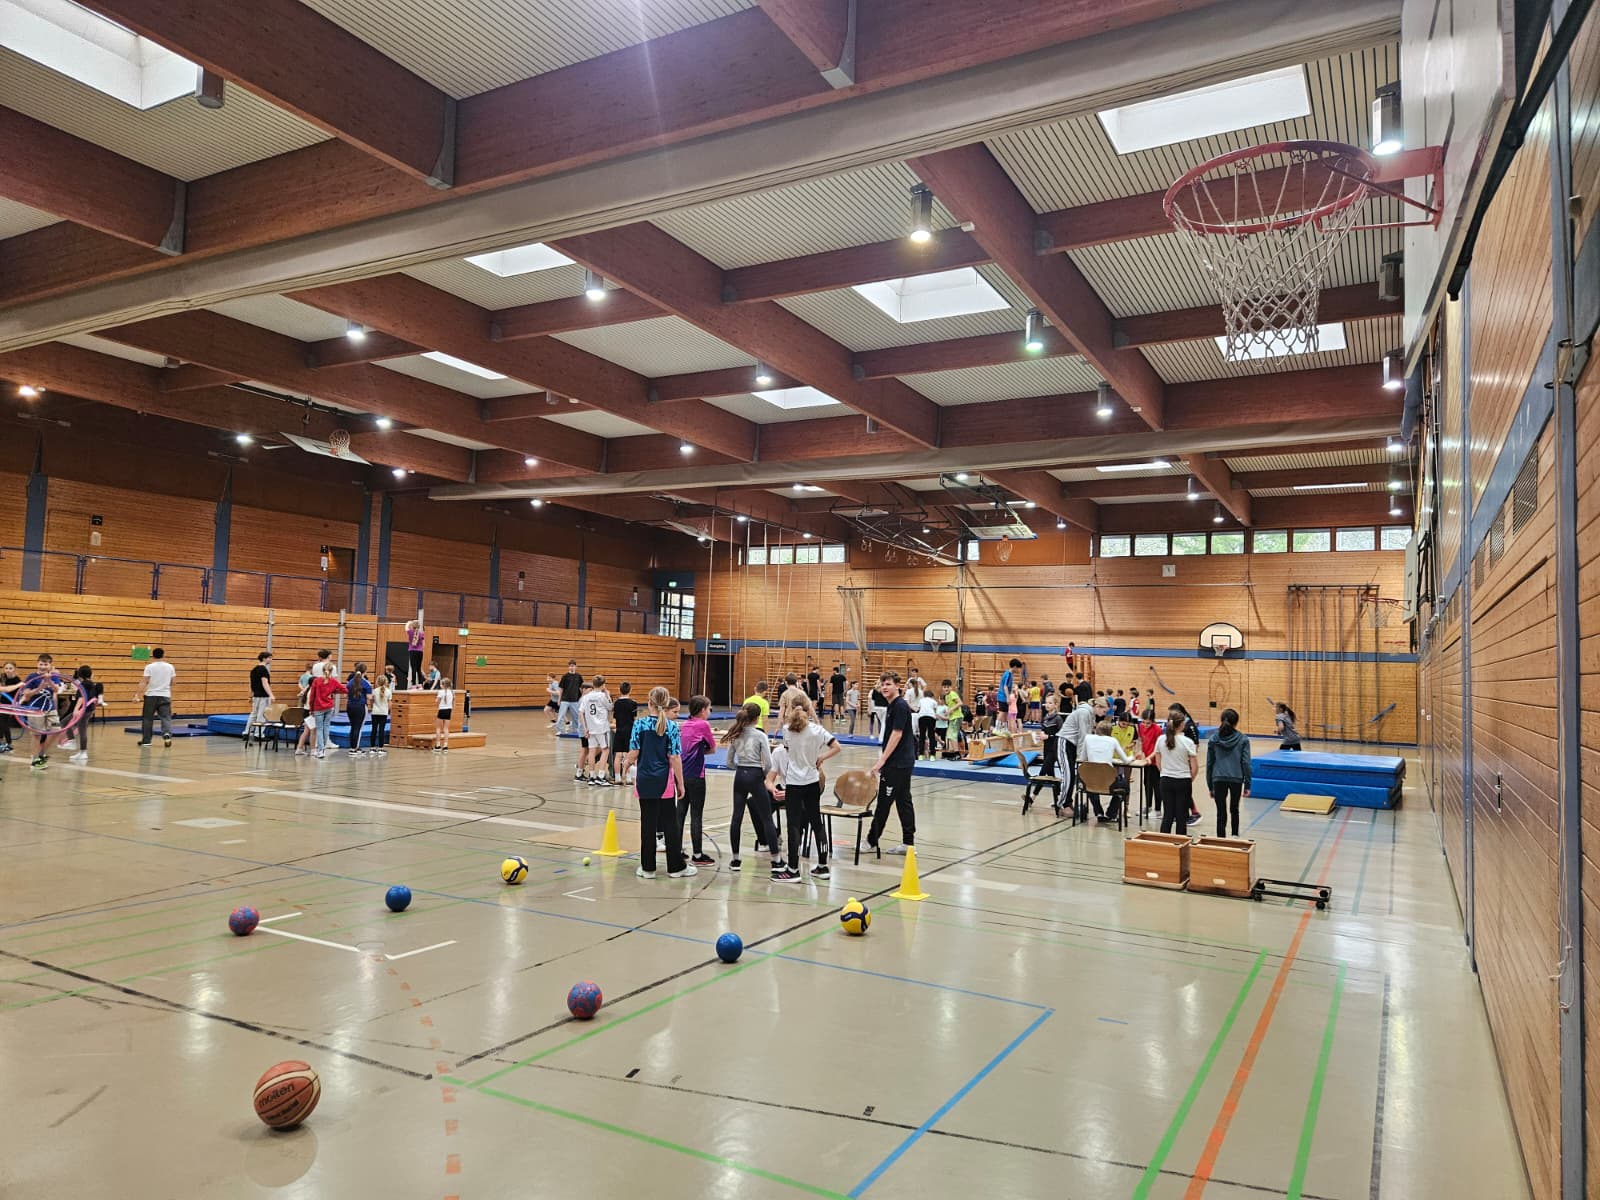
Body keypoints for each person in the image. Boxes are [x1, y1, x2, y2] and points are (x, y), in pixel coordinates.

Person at [627, 686, 691, 879]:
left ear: (649, 703)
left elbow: (634, 753)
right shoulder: (672, 727)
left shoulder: (639, 724)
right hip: (665, 782)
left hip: (645, 780)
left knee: (647, 823)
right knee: (670, 824)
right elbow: (675, 757)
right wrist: (680, 783)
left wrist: (626, 764)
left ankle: (648, 868)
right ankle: (676, 867)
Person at [721, 703, 787, 878]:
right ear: (757, 718)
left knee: (736, 817)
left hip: (740, 776)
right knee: (766, 818)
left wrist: (740, 769)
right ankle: (776, 860)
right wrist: (761, 775)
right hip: (755, 774)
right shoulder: (760, 735)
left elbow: (729, 762)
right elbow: (769, 763)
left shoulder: (736, 733)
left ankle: (735, 859)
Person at [780, 693, 839, 879]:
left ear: (791, 708)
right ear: (809, 708)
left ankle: (793, 868)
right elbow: (837, 747)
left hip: (794, 783)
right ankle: (822, 866)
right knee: (816, 822)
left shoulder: (786, 729)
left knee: (794, 825)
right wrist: (821, 757)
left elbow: (788, 751)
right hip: (812, 781)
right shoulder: (817, 730)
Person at [867, 672, 916, 856]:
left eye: (888, 684)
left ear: (897, 686)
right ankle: (908, 844)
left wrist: (882, 760)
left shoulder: (900, 706)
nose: (884, 687)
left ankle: (871, 841)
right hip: (902, 762)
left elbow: (897, 734)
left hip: (897, 763)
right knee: (904, 801)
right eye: (882, 684)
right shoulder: (893, 705)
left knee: (884, 803)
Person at [677, 695, 717, 866]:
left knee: (680, 813)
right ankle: (698, 854)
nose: (709, 712)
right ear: (702, 710)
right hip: (696, 776)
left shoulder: (684, 725)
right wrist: (701, 752)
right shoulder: (703, 725)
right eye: (708, 709)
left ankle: (676, 850)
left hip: (681, 774)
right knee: (696, 815)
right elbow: (712, 748)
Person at [1207, 708, 1252, 837]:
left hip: (1218, 778)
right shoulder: (1243, 740)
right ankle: (1234, 836)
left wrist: (1210, 786)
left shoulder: (1213, 739)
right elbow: (1246, 763)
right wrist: (1247, 785)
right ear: (1236, 722)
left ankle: (1220, 839)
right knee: (1234, 809)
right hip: (1236, 778)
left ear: (1221, 720)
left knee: (1220, 812)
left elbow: (1210, 764)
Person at [16, 654, 67, 768]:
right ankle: (35, 760)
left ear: (50, 665)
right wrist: (40, 687)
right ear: (37, 664)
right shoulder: (32, 677)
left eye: (46, 664)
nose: (43, 666)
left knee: (56, 730)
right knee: (36, 735)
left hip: (51, 709)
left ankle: (41, 753)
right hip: (35, 710)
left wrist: (49, 681)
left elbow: (56, 690)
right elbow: (26, 694)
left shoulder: (54, 676)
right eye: (41, 664)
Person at [1152, 714, 1199, 835]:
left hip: (1166, 780)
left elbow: (1158, 760)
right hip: (1183, 780)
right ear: (1182, 725)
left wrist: (1164, 772)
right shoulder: (1188, 742)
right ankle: (1180, 842)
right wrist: (1190, 778)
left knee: (1167, 815)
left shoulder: (1161, 739)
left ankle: (1164, 842)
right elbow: (1194, 766)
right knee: (1181, 816)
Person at [1081, 718, 1134, 822]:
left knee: (1089, 783)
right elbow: (1126, 761)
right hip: (1108, 781)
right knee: (1125, 787)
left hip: (1092, 779)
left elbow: (1083, 758)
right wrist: (1132, 756)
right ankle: (1111, 813)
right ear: (1110, 732)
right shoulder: (1112, 740)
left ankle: (1098, 811)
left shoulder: (1088, 738)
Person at [1023, 694, 1064, 814]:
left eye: (1050, 703)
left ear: (1056, 705)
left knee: (1042, 772)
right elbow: (1044, 731)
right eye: (1046, 703)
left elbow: (1061, 735)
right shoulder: (1045, 717)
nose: (1047, 705)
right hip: (1046, 748)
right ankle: (1059, 800)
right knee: (1050, 775)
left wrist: (1049, 736)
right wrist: (1040, 736)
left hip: (1054, 749)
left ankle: (1032, 797)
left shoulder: (1058, 719)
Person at [1169, 703, 1205, 823]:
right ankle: (1178, 813)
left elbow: (1196, 744)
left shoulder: (1189, 726)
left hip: (1185, 762)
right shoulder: (1173, 727)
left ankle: (1194, 812)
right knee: (1179, 790)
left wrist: (1189, 761)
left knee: (1184, 789)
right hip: (1176, 761)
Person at [135, 647, 176, 749]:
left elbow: (144, 682)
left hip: (151, 696)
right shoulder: (170, 667)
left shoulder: (149, 667)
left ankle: (146, 741)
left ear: (152, 656)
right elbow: (173, 682)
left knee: (147, 718)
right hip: (165, 695)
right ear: (163, 655)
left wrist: (137, 695)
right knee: (166, 717)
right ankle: (167, 734)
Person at [306, 662, 347, 758]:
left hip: (318, 707)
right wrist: (334, 692)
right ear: (332, 671)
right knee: (326, 727)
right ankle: (323, 748)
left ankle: (320, 750)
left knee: (320, 729)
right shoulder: (333, 681)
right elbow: (345, 690)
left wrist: (311, 709)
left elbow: (312, 696)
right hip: (329, 707)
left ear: (322, 670)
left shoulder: (317, 681)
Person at [578, 676, 612, 783]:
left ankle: (592, 776)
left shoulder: (586, 697)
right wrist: (608, 695)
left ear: (593, 684)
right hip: (602, 728)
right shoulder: (602, 696)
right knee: (605, 750)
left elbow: (581, 713)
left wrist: (585, 728)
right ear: (603, 685)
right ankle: (601, 776)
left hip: (591, 728)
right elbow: (610, 707)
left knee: (592, 751)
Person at [66, 665, 102, 764]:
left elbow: (81, 698)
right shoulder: (91, 683)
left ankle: (76, 745)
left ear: (80, 675)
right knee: (80, 729)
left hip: (83, 710)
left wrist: (76, 709)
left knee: (67, 723)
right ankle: (81, 751)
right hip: (88, 709)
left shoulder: (83, 685)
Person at [608, 682, 638, 784]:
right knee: (628, 755)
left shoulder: (616, 703)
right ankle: (628, 778)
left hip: (619, 730)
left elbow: (615, 718)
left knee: (618, 755)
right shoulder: (633, 703)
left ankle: (617, 778)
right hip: (629, 731)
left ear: (619, 690)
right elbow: (634, 718)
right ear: (630, 690)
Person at [1137, 707, 1162, 818]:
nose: (1145, 725)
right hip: (1146, 760)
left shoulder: (1157, 730)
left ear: (1153, 721)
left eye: (1148, 723)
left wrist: (1150, 757)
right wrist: (1141, 752)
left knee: (1156, 785)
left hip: (1155, 761)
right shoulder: (1141, 727)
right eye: (1144, 722)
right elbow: (1141, 741)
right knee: (1147, 783)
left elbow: (1158, 748)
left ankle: (1158, 810)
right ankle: (1148, 806)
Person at [246, 652, 274, 745]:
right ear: (264, 658)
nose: (271, 659)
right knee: (262, 715)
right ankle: (259, 735)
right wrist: (271, 695)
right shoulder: (263, 669)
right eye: (269, 658)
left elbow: (251, 684)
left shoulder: (253, 669)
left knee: (253, 714)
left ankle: (246, 732)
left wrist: (250, 695)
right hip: (263, 696)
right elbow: (265, 683)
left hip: (256, 695)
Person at [345, 663, 372, 757]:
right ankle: (354, 749)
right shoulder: (366, 683)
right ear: (365, 671)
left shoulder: (350, 682)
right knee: (358, 727)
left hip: (350, 706)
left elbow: (345, 694)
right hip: (360, 706)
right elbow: (369, 697)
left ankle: (352, 747)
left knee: (353, 727)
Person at [556, 660, 583, 735]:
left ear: (576, 667)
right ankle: (559, 730)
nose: (572, 667)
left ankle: (576, 729)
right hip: (565, 700)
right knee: (561, 715)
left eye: (573, 666)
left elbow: (581, 688)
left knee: (576, 716)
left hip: (575, 700)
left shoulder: (579, 676)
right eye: (570, 666)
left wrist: (582, 698)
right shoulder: (565, 676)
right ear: (568, 667)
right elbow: (561, 689)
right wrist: (559, 699)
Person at [0, 660, 21, 754]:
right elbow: (3, 690)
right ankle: (6, 742)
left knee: (3, 723)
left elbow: (17, 695)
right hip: (2, 703)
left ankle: (6, 742)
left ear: (15, 669)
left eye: (10, 668)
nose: (8, 670)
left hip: (10, 704)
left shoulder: (17, 681)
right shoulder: (2, 677)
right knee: (3, 723)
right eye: (6, 668)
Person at [370, 673, 392, 755]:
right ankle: (380, 748)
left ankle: (372, 748)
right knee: (381, 730)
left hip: (375, 712)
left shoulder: (374, 691)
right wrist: (387, 710)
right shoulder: (388, 691)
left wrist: (372, 708)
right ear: (386, 682)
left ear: (377, 682)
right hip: (383, 713)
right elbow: (390, 703)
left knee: (374, 730)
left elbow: (371, 702)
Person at [915, 685, 938, 759]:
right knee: (931, 736)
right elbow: (935, 711)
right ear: (932, 696)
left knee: (922, 736)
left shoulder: (921, 700)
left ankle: (920, 755)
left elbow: (918, 709)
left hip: (922, 717)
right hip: (931, 717)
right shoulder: (934, 701)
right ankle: (932, 755)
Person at [432, 678, 455, 752]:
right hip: (449, 710)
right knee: (446, 729)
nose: (440, 685)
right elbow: (453, 702)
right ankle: (445, 746)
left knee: (438, 728)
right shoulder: (452, 692)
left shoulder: (440, 692)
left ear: (443, 685)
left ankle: (438, 745)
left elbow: (437, 701)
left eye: (441, 684)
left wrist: (436, 700)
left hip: (442, 710)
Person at [405, 619, 425, 687]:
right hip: (420, 652)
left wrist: (409, 622)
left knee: (413, 668)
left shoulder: (410, 632)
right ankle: (420, 684)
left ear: (413, 626)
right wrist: (421, 649)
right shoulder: (421, 633)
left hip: (413, 651)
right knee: (418, 668)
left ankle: (413, 684)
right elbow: (423, 644)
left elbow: (406, 627)